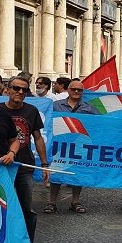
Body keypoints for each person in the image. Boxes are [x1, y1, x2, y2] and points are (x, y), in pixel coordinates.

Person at [0, 75, 50, 243]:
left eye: (24, 89)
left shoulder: (32, 110)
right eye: (16, 88)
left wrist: (44, 164)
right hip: (0, 166)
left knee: (27, 209)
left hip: (24, 166)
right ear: (7, 89)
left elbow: (38, 138)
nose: (20, 92)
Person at [46, 78, 100, 213]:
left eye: (79, 90)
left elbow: (100, 124)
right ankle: (51, 202)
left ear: (83, 92)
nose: (76, 91)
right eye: (73, 89)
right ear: (68, 90)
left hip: (79, 146)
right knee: (56, 172)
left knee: (78, 173)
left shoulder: (89, 108)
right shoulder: (55, 105)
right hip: (59, 145)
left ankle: (75, 202)